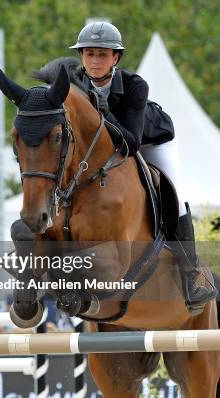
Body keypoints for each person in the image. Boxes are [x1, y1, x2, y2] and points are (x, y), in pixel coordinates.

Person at [70, 22, 216, 309]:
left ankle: (191, 273)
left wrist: (99, 112)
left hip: (150, 141)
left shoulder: (135, 86)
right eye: (89, 54)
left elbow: (131, 142)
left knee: (172, 193)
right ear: (82, 57)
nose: (95, 61)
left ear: (116, 58)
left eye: (102, 54)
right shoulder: (75, 83)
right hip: (106, 147)